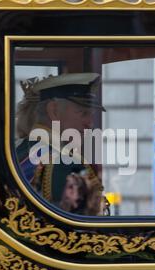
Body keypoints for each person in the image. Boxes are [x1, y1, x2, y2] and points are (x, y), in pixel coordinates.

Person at [15, 73, 109, 216]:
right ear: (54, 111)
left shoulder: (21, 149)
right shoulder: (62, 162)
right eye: (83, 113)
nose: (90, 123)